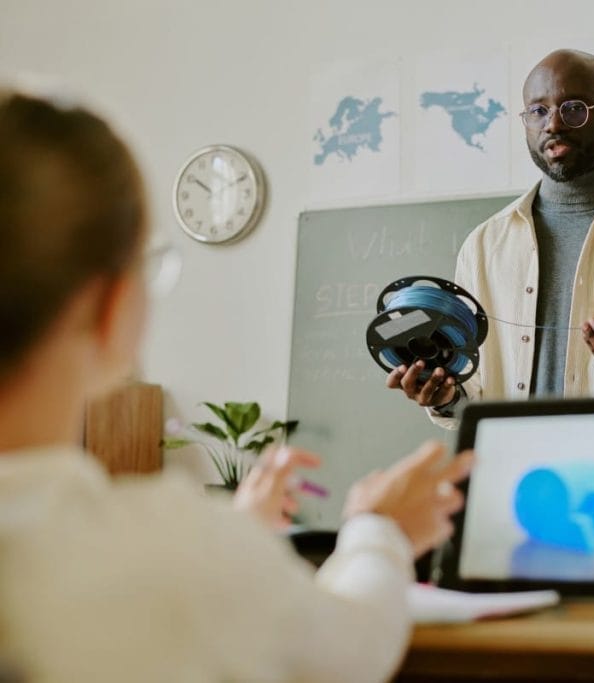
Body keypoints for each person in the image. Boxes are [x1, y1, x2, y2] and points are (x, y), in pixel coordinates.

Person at [0, 90, 473, 683]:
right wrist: (382, 532)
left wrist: (241, 537)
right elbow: (350, 649)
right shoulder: (178, 554)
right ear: (114, 307)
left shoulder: (180, 559)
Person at [387, 49, 594, 423]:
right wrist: (444, 396)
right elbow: (473, 391)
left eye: (573, 108)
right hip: (509, 472)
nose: (553, 124)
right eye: (538, 111)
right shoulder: (484, 246)